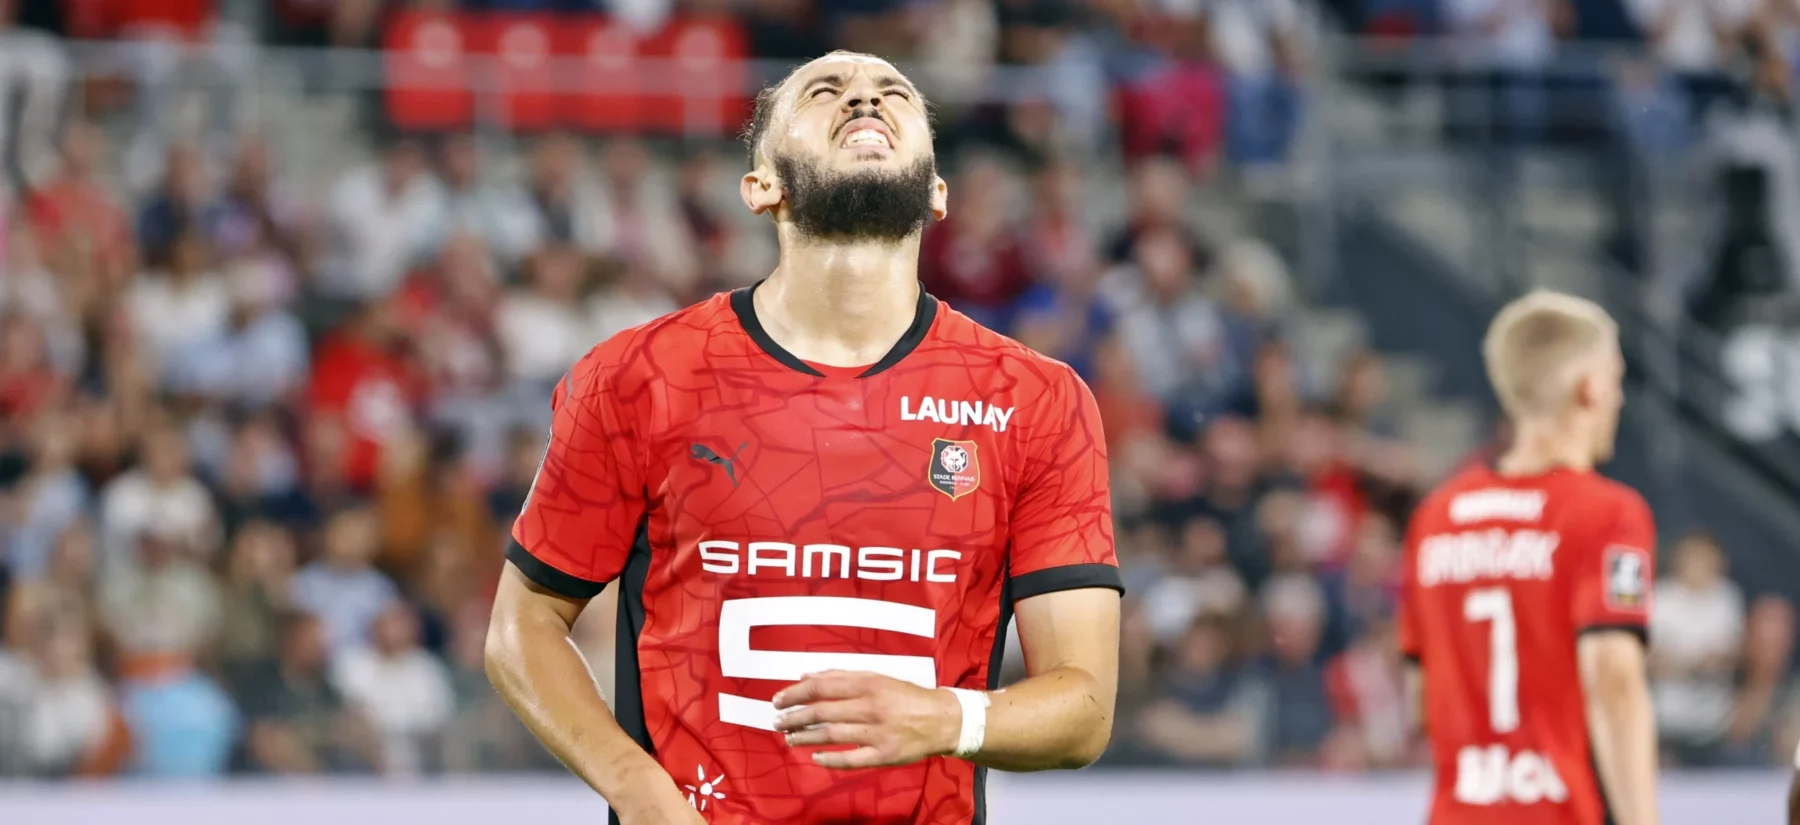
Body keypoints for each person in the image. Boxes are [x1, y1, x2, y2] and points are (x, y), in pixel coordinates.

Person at [485, 51, 1123, 825]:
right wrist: (638, 788)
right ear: (762, 185)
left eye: (893, 93)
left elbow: (1084, 707)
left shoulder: (1037, 401)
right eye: (826, 92)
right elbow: (522, 626)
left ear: (937, 189)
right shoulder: (637, 376)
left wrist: (950, 719)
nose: (864, 97)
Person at [1399, 290, 1659, 825]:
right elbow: (1613, 678)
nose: (1619, 398)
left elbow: (1421, 697)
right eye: (1616, 380)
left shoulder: (1437, 517)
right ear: (1588, 389)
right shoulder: (1609, 515)